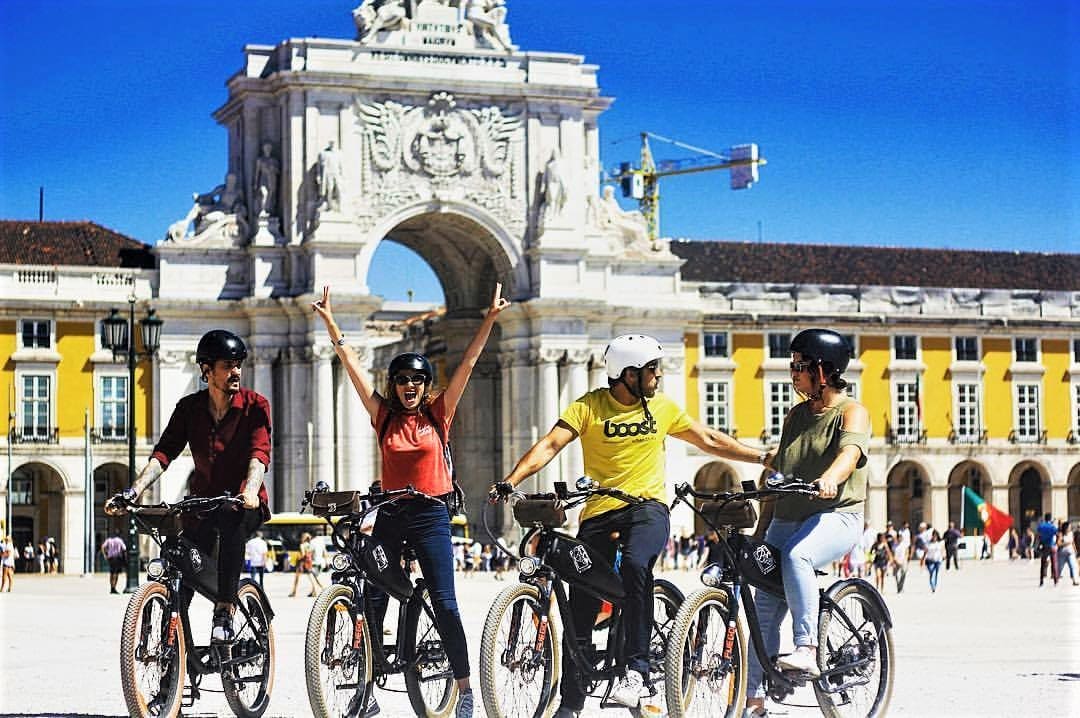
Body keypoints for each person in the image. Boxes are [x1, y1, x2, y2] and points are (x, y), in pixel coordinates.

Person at [494, 332, 768, 716]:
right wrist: (512, 479)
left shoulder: (661, 407)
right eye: (653, 369)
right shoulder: (589, 407)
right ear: (629, 373)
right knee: (581, 600)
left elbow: (707, 438)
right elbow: (551, 444)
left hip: (647, 508)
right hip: (599, 512)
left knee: (637, 566)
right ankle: (571, 702)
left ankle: (636, 671)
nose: (659, 375)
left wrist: (761, 458)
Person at [312, 282, 510, 718]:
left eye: (417, 380)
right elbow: (351, 365)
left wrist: (489, 318)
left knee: (445, 603)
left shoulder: (439, 415)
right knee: (373, 595)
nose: (409, 386)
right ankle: (366, 688)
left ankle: (464, 690)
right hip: (390, 513)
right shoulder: (382, 417)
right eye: (402, 380)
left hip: (431, 515)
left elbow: (468, 363)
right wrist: (330, 322)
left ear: (426, 385)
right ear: (394, 385)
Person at [106, 329, 271, 643]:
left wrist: (250, 490)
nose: (236, 371)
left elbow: (259, 453)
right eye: (227, 365)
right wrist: (133, 491)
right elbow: (164, 453)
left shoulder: (255, 406)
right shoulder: (189, 408)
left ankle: (225, 610)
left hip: (243, 504)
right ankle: (178, 651)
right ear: (206, 370)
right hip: (203, 504)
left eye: (239, 364)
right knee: (181, 559)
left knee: (231, 518)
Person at [743, 329, 870, 718]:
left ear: (823, 370)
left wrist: (830, 478)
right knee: (763, 608)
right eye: (792, 365)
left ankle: (807, 649)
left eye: (799, 366)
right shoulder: (796, 416)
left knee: (798, 555)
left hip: (837, 514)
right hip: (786, 517)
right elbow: (778, 475)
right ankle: (754, 701)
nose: (793, 373)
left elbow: (850, 454)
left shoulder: (852, 412)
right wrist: (760, 533)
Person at [289, 532, 323, 597]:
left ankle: (294, 592)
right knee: (311, 577)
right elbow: (311, 553)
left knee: (297, 578)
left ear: (303, 538)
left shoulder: (302, 545)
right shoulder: (309, 545)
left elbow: (303, 554)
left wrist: (297, 558)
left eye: (302, 537)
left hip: (302, 562)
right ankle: (315, 591)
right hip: (308, 562)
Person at [253, 142, 280, 217]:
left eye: (268, 148)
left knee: (271, 196)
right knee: (264, 193)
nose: (267, 150)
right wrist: (255, 183)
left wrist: (273, 169)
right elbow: (257, 173)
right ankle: (263, 210)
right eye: (266, 148)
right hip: (263, 179)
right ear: (263, 149)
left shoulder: (274, 160)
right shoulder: (260, 160)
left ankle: (269, 210)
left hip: (272, 179)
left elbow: (278, 171)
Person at [317, 140, 343, 212]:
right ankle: (329, 205)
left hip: (336, 174)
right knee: (329, 190)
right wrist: (318, 175)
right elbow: (319, 166)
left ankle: (339, 205)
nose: (332, 144)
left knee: (339, 189)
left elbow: (341, 166)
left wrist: (342, 175)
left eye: (333, 143)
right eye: (331, 143)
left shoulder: (339, 153)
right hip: (328, 174)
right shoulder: (324, 153)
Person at [1036, 513, 1058, 586]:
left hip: (1044, 546)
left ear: (1044, 518)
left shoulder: (1041, 526)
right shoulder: (1052, 526)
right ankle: (1055, 581)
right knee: (1054, 563)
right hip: (1052, 545)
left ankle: (1041, 581)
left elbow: (1038, 535)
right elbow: (1057, 533)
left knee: (1043, 564)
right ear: (1050, 519)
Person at [1057, 521, 1078, 587]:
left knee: (1072, 566)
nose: (1070, 528)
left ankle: (1074, 580)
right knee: (1060, 568)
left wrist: (1075, 551)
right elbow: (1058, 544)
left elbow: (1073, 542)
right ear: (1066, 527)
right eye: (1069, 527)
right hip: (1062, 554)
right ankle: (1056, 580)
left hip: (1070, 553)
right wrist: (1066, 543)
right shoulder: (1061, 534)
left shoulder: (1071, 533)